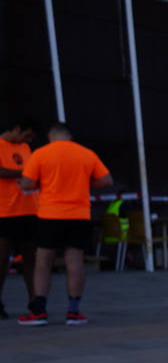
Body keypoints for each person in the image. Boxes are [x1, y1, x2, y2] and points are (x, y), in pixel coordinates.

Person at [16, 123, 113, 326]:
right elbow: (106, 180)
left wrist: (43, 184)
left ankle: (39, 312)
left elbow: (26, 184)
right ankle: (74, 312)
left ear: (51, 136)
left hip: (49, 215)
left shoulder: (41, 154)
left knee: (43, 262)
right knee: (75, 262)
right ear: (70, 136)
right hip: (79, 215)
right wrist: (84, 183)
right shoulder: (86, 154)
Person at [0, 118, 40, 319]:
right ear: (16, 128)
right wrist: (24, 173)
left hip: (28, 209)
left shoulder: (25, 147)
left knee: (30, 258)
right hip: (4, 210)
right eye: (27, 135)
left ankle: (35, 301)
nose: (28, 140)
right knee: (2, 260)